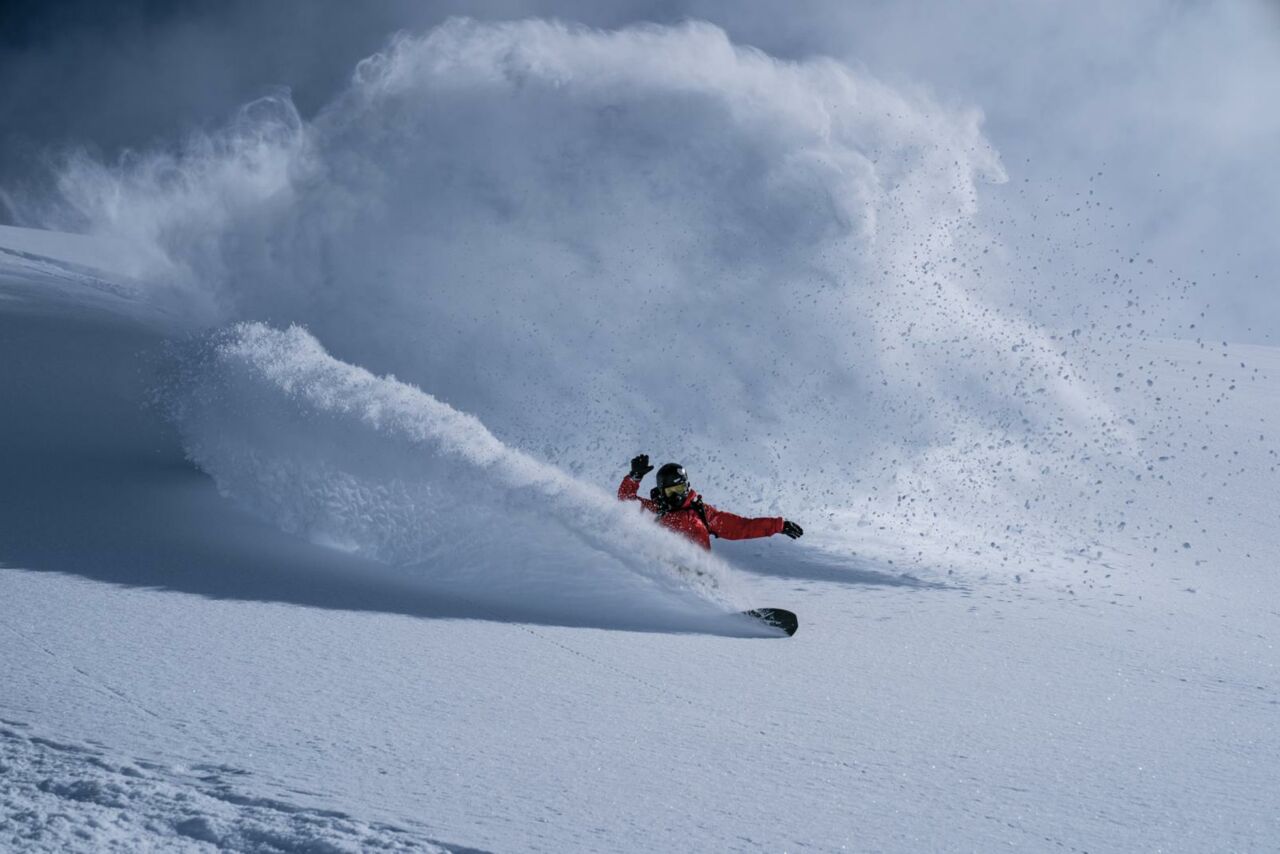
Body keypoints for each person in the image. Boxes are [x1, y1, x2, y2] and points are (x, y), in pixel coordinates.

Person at [618, 454, 803, 550]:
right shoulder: (654, 510)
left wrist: (778, 525)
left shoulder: (703, 513)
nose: (678, 495)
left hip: (698, 576)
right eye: (672, 491)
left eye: (681, 489)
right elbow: (625, 503)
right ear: (662, 491)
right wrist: (633, 478)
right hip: (662, 571)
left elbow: (742, 527)